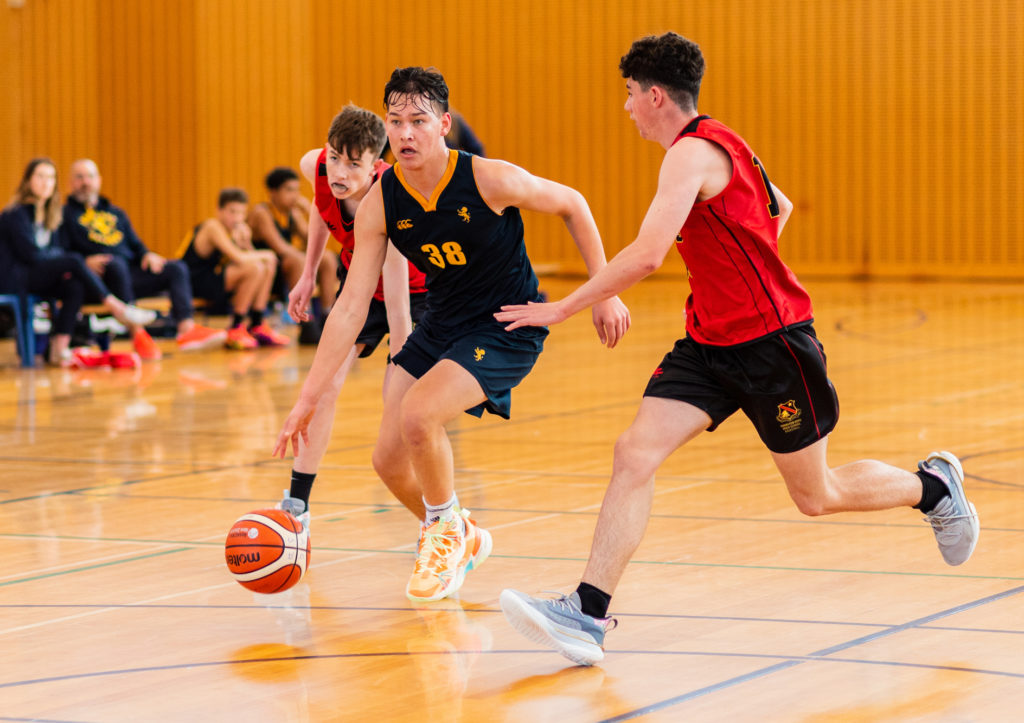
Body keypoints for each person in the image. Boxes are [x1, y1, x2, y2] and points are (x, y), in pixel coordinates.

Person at [495, 32, 980, 667]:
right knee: (634, 453)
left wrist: (561, 307)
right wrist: (740, 269)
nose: (626, 108)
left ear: (656, 96)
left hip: (771, 347)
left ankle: (934, 488)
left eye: (630, 95)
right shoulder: (725, 141)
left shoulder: (689, 155)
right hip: (709, 343)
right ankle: (587, 613)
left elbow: (645, 256)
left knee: (816, 496)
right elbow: (776, 208)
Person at [274, 67, 630, 603]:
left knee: (419, 414)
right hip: (441, 321)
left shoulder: (490, 178)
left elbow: (573, 203)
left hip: (507, 323)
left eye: (418, 121)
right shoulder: (381, 201)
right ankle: (457, 531)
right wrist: (306, 398)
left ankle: (441, 532)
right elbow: (349, 307)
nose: (406, 133)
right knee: (388, 461)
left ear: (443, 124)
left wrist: (604, 291)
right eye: (396, 122)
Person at [274, 105, 430, 529]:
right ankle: (298, 503)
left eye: (354, 164)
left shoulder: (389, 198)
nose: (340, 172)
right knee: (324, 387)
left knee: (400, 407)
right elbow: (320, 206)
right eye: (336, 158)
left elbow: (397, 299)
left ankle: (436, 514)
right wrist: (308, 274)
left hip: (417, 293)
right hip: (359, 282)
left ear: (376, 164)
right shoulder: (316, 166)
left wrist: (403, 359)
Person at [63, 159, 226, 359]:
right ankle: (138, 334)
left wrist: (147, 254)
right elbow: (61, 251)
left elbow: (135, 244)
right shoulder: (65, 214)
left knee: (176, 268)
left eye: (90, 176)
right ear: (70, 183)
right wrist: (84, 261)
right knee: (115, 264)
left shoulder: (116, 213)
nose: (85, 182)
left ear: (99, 180)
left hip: (127, 274)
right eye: (79, 177)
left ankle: (186, 330)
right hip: (97, 281)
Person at [0, 158, 157, 366]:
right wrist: (59, 258)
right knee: (74, 260)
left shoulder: (52, 215)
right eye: (40, 176)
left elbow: (53, 251)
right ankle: (117, 307)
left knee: (75, 285)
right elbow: (31, 254)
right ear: (28, 181)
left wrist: (57, 258)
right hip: (16, 279)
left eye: (50, 177)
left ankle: (60, 347)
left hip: (38, 274)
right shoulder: (15, 213)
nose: (46, 182)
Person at [178, 188, 290, 350]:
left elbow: (249, 257)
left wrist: (246, 244)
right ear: (219, 211)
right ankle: (236, 327)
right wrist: (267, 253)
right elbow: (238, 258)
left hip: (215, 280)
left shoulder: (234, 231)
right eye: (232, 212)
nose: (237, 218)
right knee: (256, 267)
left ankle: (257, 323)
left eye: (241, 213)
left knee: (266, 264)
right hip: (192, 284)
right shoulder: (212, 226)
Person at [248, 167, 336, 344]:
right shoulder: (261, 212)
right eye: (289, 190)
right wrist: (308, 261)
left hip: (286, 271)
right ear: (273, 192)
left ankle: (328, 316)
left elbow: (315, 241)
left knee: (326, 258)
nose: (295, 195)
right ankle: (306, 322)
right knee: (298, 260)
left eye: (296, 189)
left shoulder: (292, 214)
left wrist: (311, 211)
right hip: (264, 273)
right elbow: (280, 248)